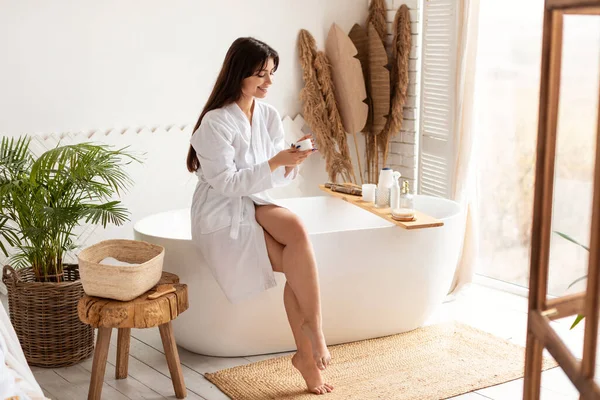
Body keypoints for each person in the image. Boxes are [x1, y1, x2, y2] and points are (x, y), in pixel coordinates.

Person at [186, 37, 333, 395]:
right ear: (239, 74)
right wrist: (275, 162)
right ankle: (314, 338)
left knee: (296, 236)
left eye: (271, 74)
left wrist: (292, 160)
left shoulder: (266, 114)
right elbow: (227, 183)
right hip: (221, 207)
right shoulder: (214, 123)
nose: (268, 83)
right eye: (260, 75)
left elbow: (277, 178)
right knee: (297, 264)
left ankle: (308, 349)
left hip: (256, 198)